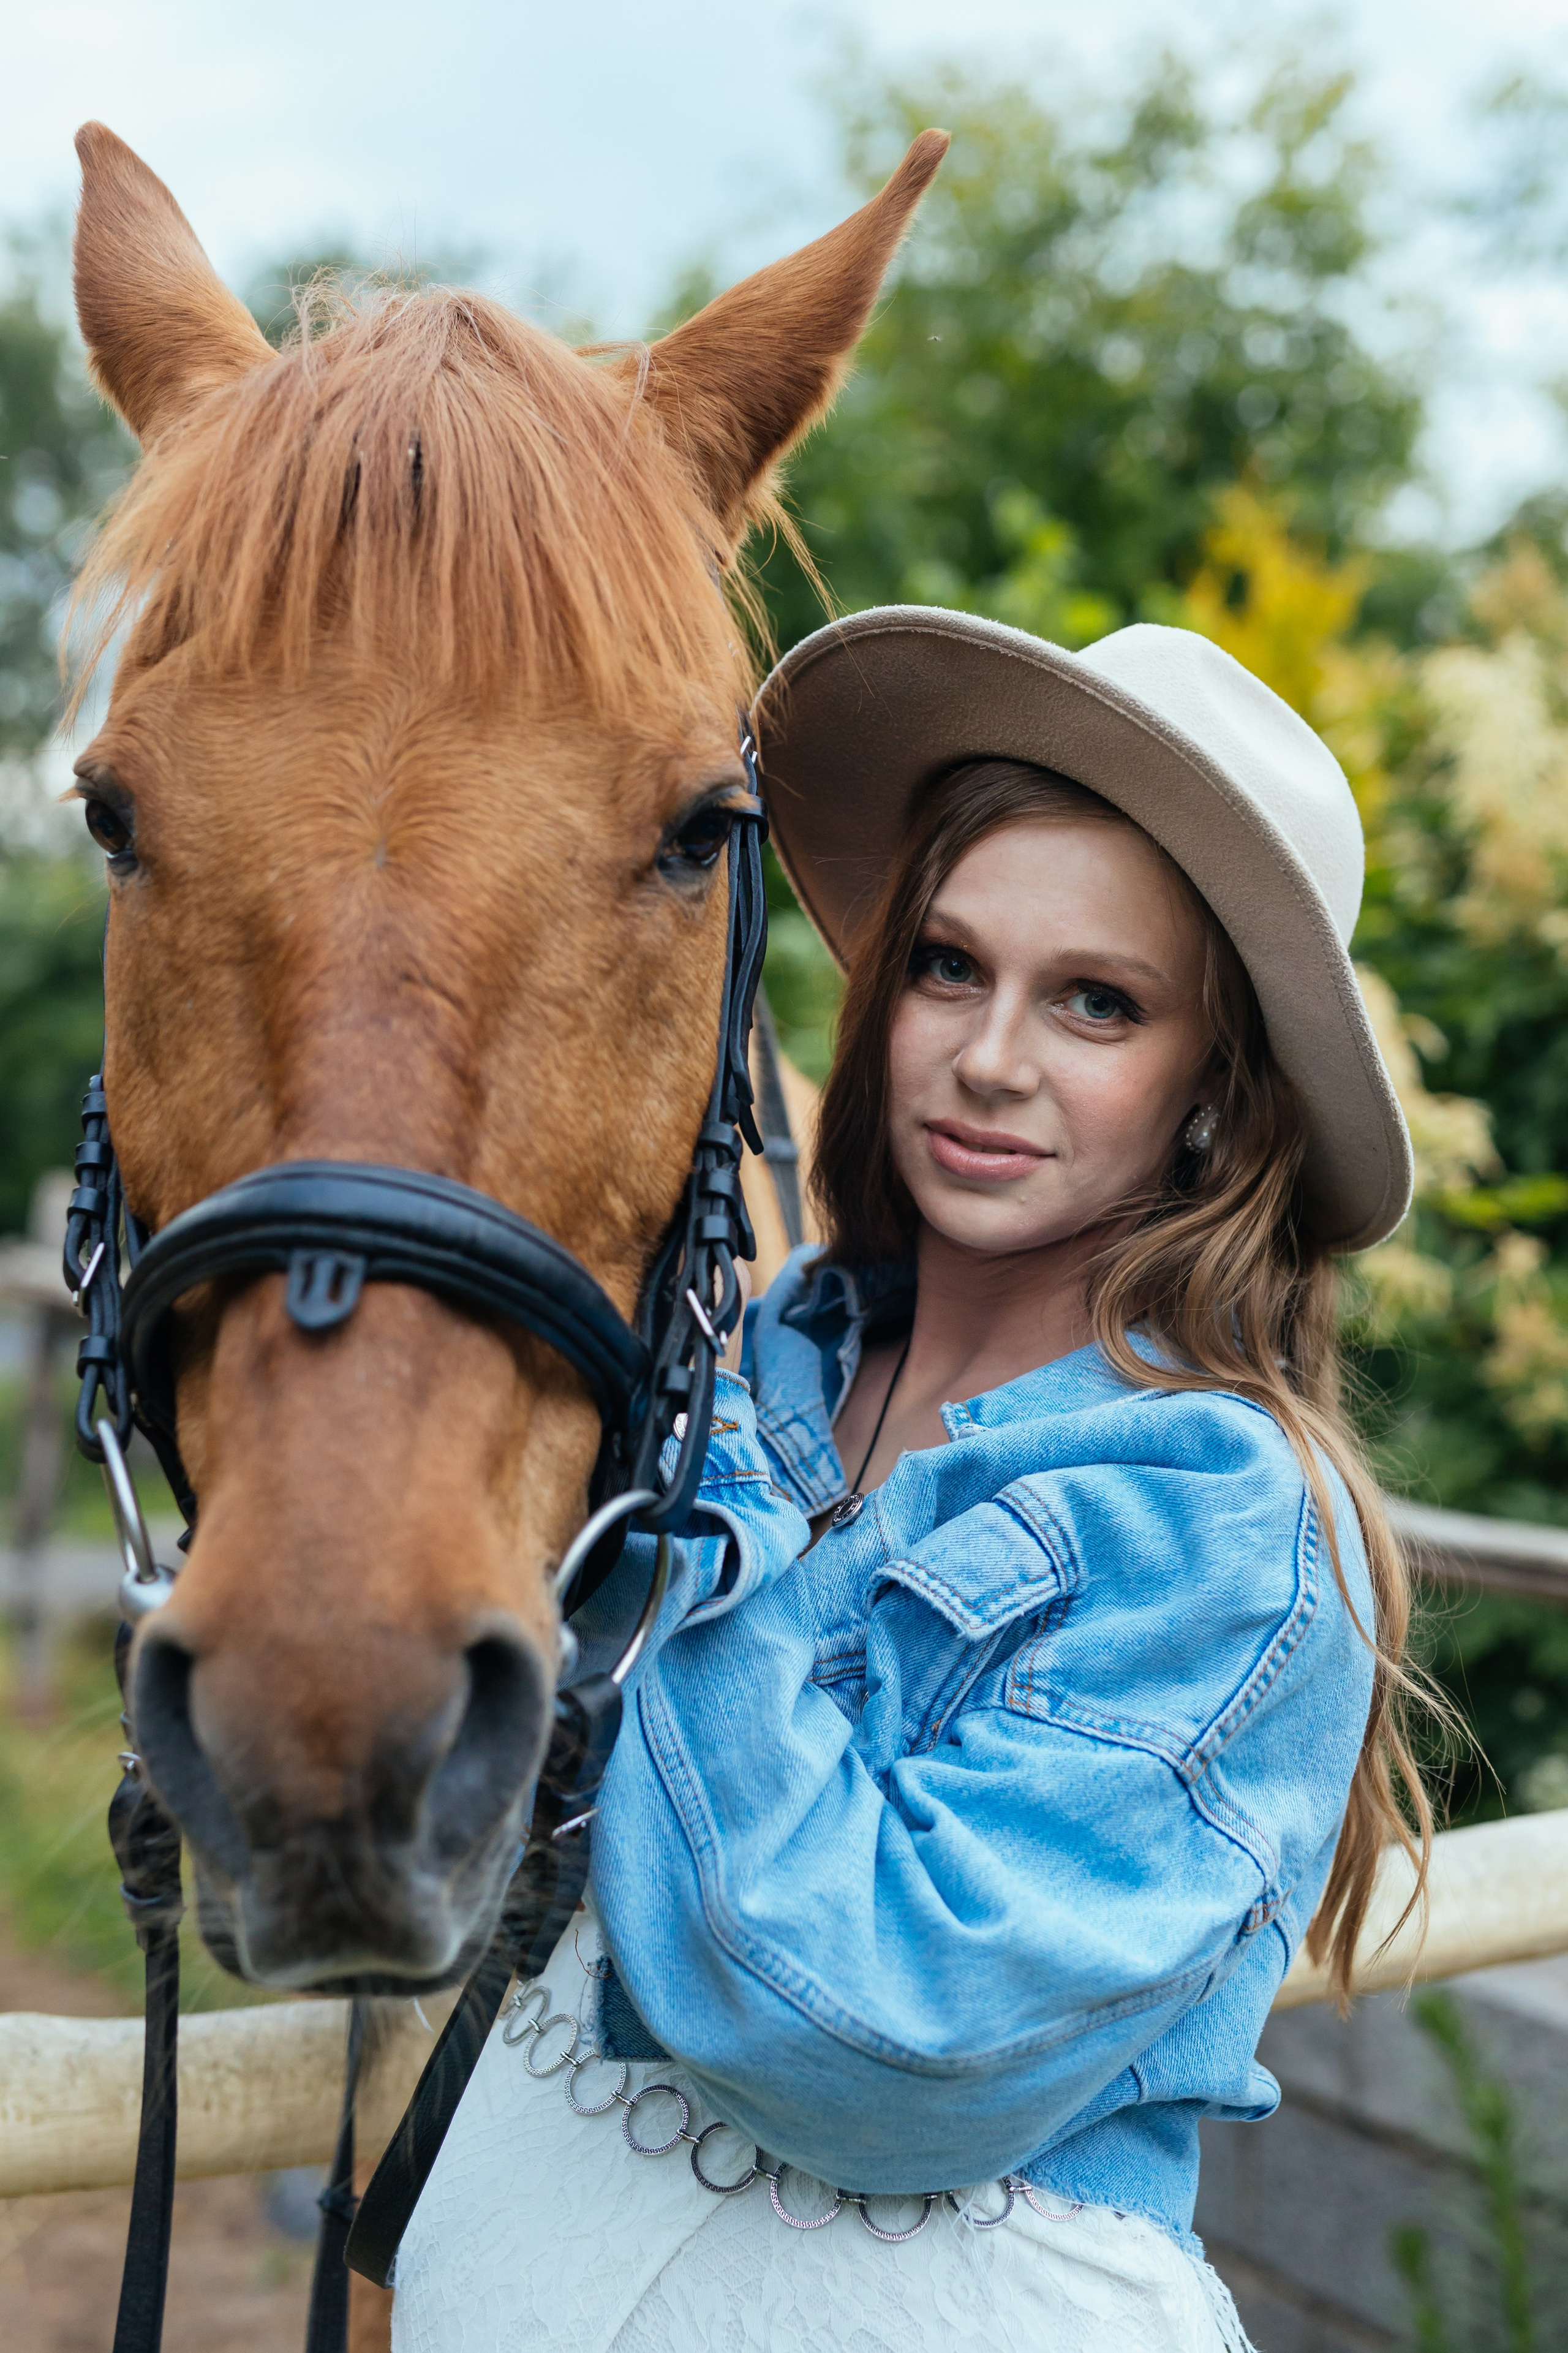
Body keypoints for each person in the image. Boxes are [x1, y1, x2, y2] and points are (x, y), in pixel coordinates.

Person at [391, 611, 1428, 2353]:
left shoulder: (1220, 1522)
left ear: (1213, 1094)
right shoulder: (775, 1358)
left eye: (1096, 1000)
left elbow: (869, 2031)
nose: (993, 1056)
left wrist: (673, 1470)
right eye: (952, 965)